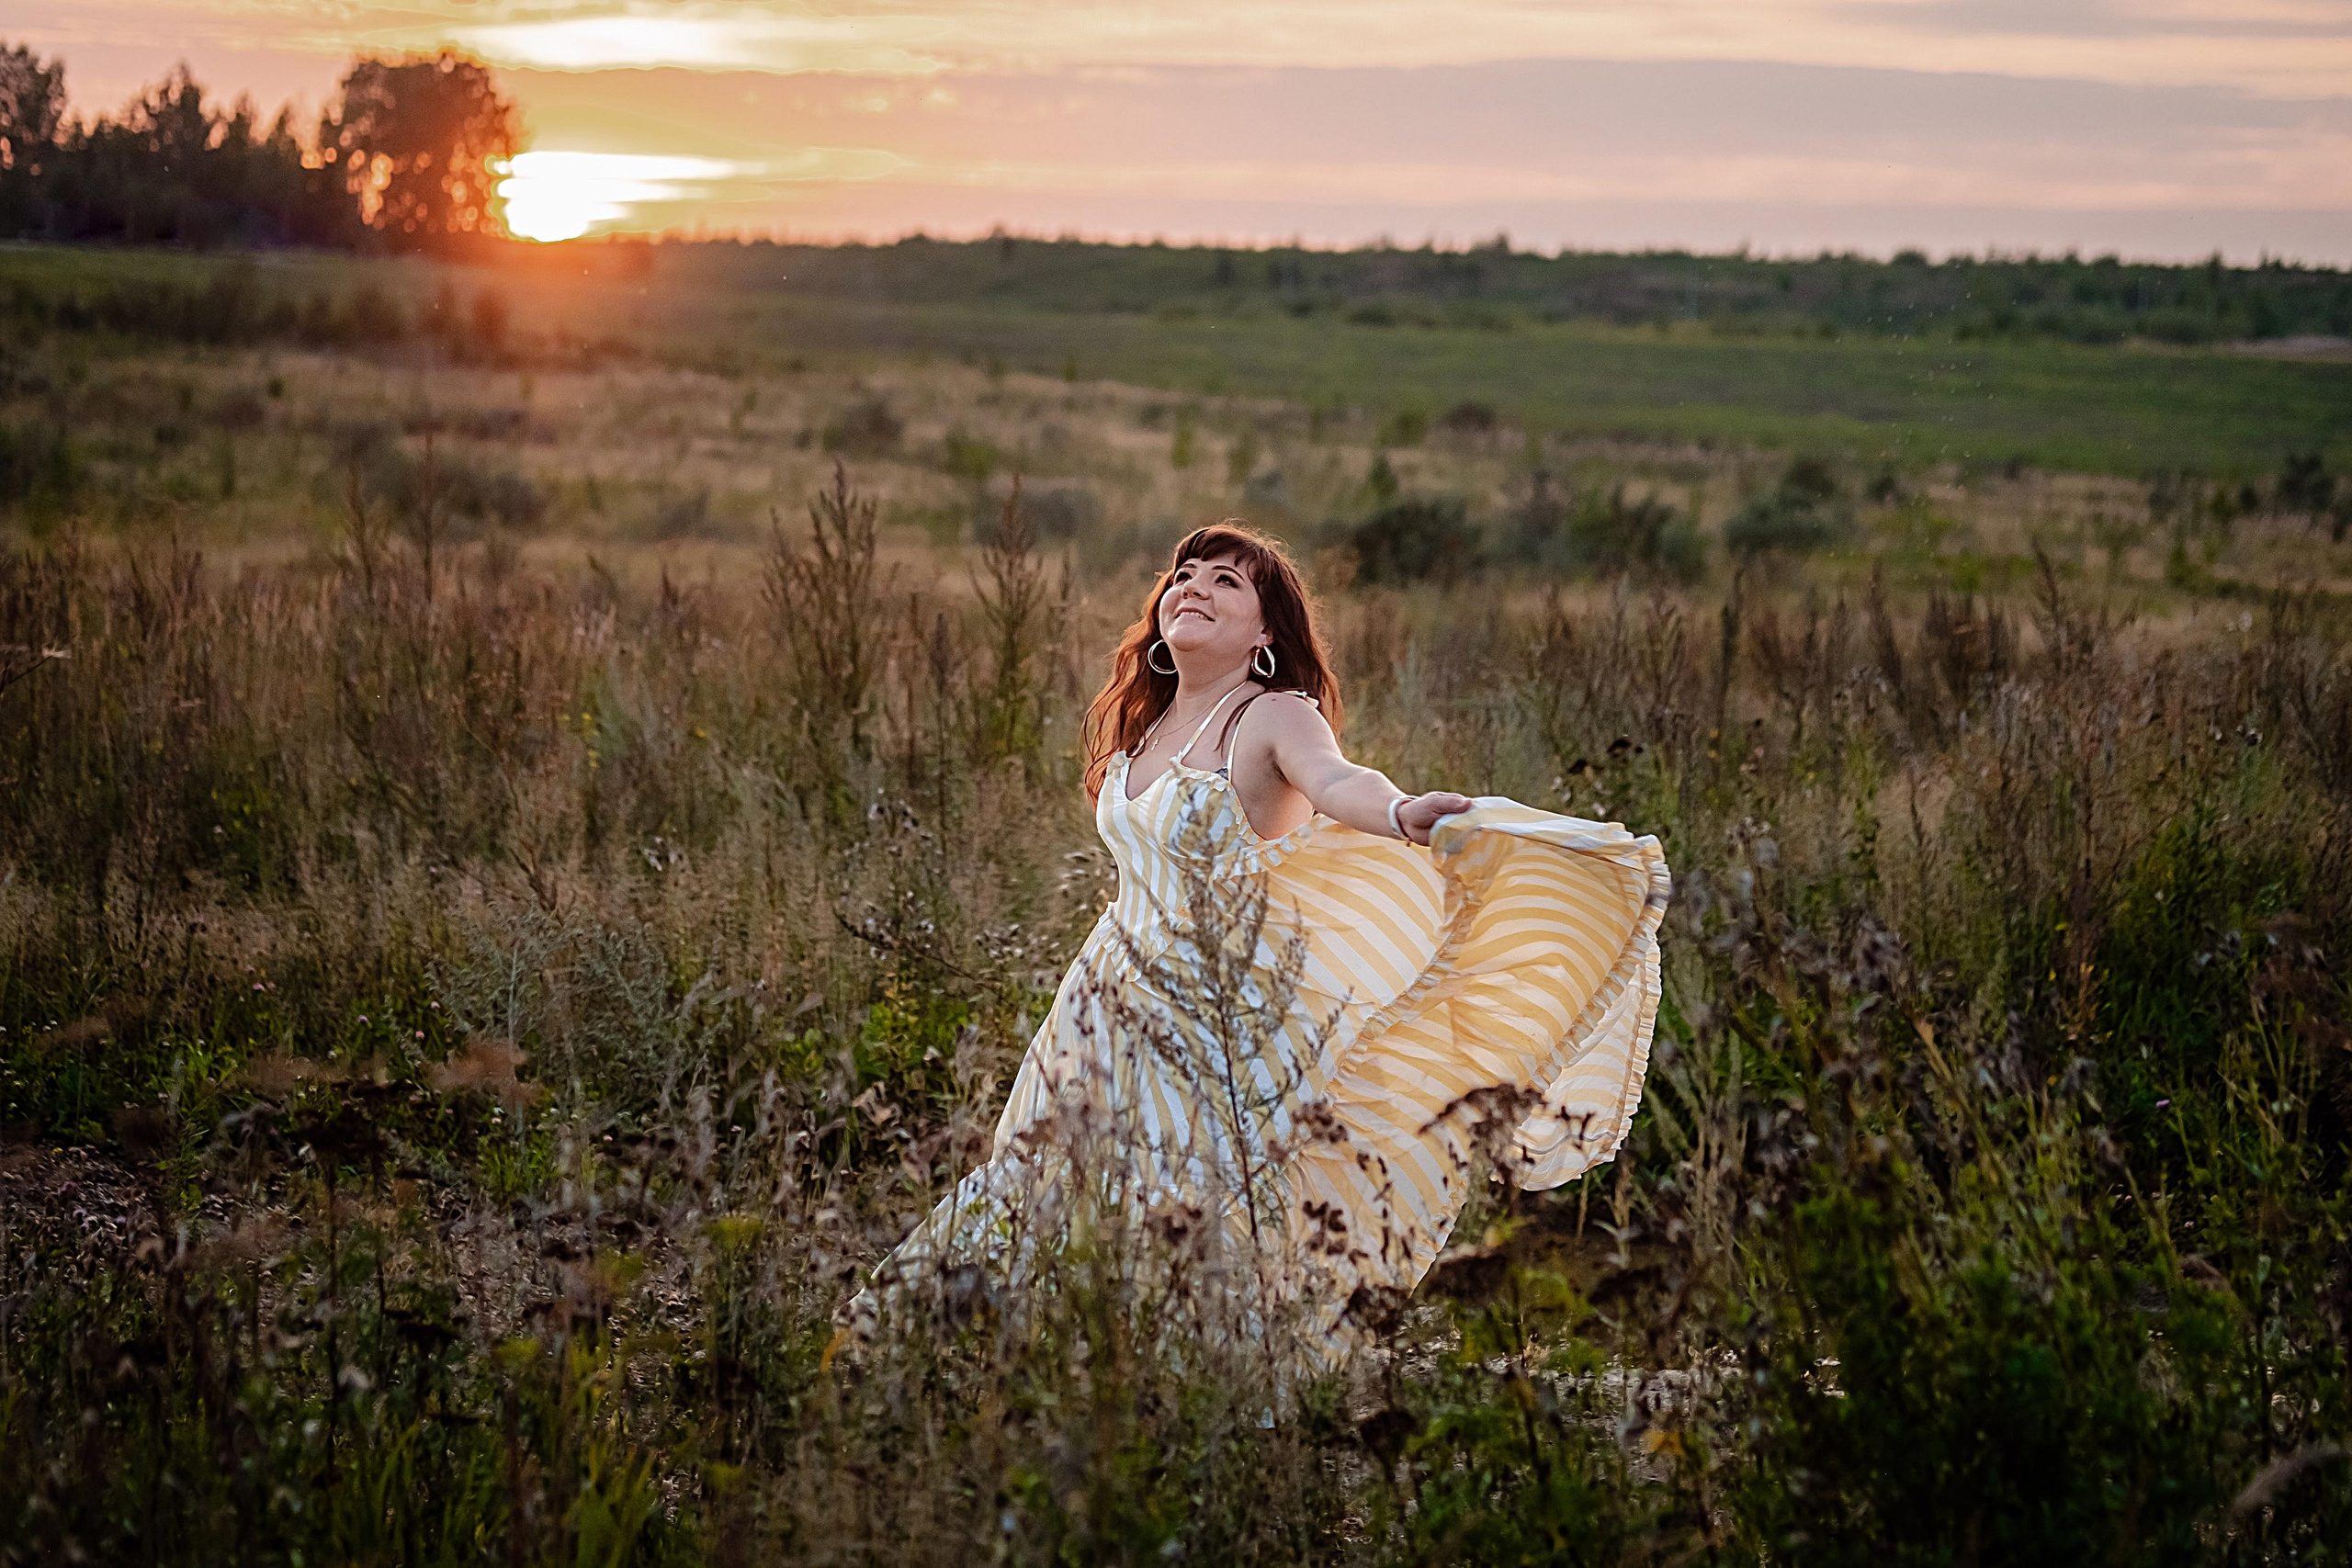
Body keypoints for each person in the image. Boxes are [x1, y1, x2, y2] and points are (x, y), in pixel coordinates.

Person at [854, 522, 1670, 1361]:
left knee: (1185, 1211)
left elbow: (1339, 780)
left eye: (1226, 582)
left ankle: (1182, 1394)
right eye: (1184, 574)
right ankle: (995, 1365)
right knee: (1048, 1186)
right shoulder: (1146, 729)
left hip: (1213, 1025)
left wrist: (1398, 813)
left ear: (1266, 633)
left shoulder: (1276, 716)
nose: (1194, 587)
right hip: (1100, 1016)